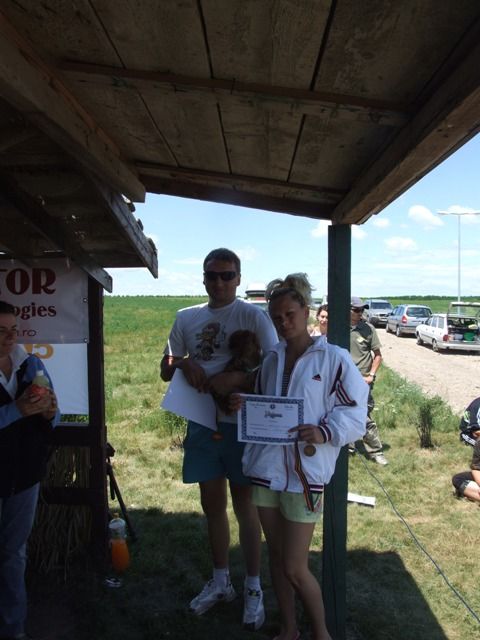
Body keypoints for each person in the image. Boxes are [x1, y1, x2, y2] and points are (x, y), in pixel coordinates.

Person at [239, 274, 368, 640]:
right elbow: (265, 406)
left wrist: (324, 432)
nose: (284, 322)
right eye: (276, 317)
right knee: (278, 559)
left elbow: (356, 414)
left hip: (304, 476)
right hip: (266, 471)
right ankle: (289, 629)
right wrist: (243, 405)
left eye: (290, 314)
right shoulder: (271, 359)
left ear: (306, 311)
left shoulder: (333, 359)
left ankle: (322, 634)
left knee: (295, 566)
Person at [160, 248, 277, 630]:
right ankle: (221, 580)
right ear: (203, 278)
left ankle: (253, 587)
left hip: (241, 424)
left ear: (239, 278)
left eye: (227, 275)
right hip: (201, 421)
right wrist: (183, 362)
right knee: (212, 504)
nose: (220, 282)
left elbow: (275, 367)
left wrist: (238, 379)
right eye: (212, 275)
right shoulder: (186, 317)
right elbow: (166, 366)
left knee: (246, 506)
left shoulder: (253, 316)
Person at [0, 300, 60, 640]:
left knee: (14, 555)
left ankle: (14, 629)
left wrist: (50, 412)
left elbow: (55, 414)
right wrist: (16, 410)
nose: (9, 338)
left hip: (24, 475)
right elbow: (18, 412)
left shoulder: (31, 363)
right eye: (1, 331)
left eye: (13, 330)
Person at [349, 296, 388, 465]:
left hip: (363, 381)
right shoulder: (337, 327)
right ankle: (348, 447)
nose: (360, 313)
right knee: (343, 412)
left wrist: (371, 375)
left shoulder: (368, 329)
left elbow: (377, 355)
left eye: (362, 310)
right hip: (343, 379)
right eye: (356, 310)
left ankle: (375, 451)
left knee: (363, 415)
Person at [452, 397, 480, 504]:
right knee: (458, 479)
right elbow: (475, 431)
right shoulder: (477, 405)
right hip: (469, 434)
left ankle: (472, 493)